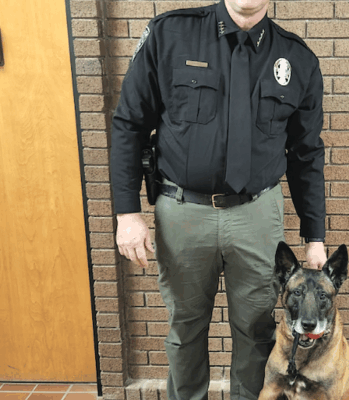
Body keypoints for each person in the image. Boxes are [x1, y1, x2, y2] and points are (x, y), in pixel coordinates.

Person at [110, 0, 327, 399]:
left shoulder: (297, 59)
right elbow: (129, 124)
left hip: (257, 215)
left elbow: (306, 154)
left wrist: (315, 237)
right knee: (185, 328)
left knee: (257, 330)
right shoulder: (170, 35)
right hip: (183, 213)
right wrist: (127, 212)